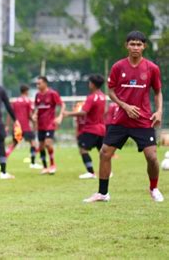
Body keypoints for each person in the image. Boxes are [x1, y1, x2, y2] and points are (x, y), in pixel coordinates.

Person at [84, 31, 164, 203]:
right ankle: (102, 193)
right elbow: (110, 91)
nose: (135, 47)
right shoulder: (118, 67)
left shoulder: (152, 68)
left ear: (144, 47)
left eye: (139, 44)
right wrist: (125, 106)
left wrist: (159, 111)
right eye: (132, 44)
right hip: (120, 119)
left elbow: (158, 92)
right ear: (126, 45)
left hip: (143, 120)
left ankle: (154, 188)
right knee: (105, 153)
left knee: (152, 157)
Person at [63, 74, 106, 179]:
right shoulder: (102, 96)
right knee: (102, 152)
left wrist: (68, 114)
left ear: (92, 84)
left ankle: (91, 172)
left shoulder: (91, 97)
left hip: (91, 128)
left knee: (83, 149)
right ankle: (107, 171)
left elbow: (83, 112)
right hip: (101, 128)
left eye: (89, 82)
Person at [32, 76, 65, 175]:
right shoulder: (37, 95)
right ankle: (45, 167)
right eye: (37, 84)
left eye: (39, 83)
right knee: (41, 147)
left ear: (45, 83)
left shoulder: (52, 93)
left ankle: (52, 165)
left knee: (48, 144)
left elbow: (62, 105)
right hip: (40, 125)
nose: (38, 85)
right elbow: (37, 108)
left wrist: (60, 117)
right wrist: (34, 114)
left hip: (50, 124)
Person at [5, 84, 42, 169]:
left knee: (14, 144)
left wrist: (7, 125)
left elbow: (9, 114)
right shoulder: (28, 101)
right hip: (25, 127)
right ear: (26, 91)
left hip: (17, 127)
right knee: (33, 143)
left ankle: (4, 158)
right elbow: (30, 115)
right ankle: (32, 163)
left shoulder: (15, 101)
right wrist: (34, 121)